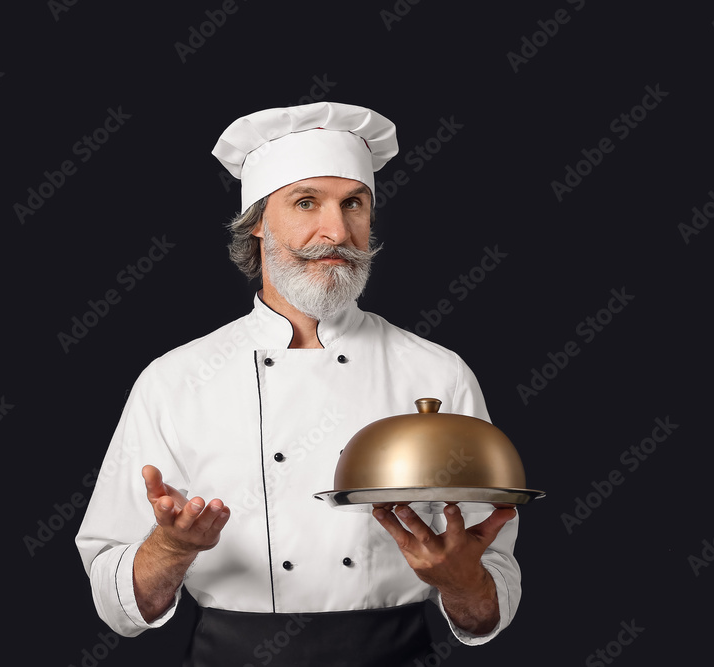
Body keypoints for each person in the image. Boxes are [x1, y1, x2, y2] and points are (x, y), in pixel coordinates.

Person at [75, 101, 521, 666]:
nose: (336, 231)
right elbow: (115, 604)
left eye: (353, 204)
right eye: (306, 202)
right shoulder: (175, 380)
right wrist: (171, 547)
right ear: (258, 220)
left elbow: (491, 597)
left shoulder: (439, 373)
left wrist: (461, 583)